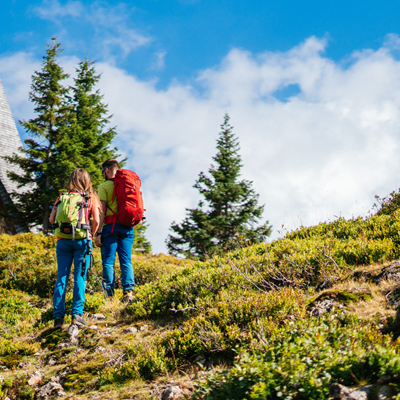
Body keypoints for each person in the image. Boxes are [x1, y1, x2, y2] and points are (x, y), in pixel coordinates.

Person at [49, 169, 100, 328]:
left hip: (62, 242)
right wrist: (90, 232)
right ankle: (77, 314)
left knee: (61, 278)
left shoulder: (62, 197)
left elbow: (51, 220)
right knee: (79, 277)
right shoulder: (89, 198)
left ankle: (58, 318)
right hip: (82, 241)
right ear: (86, 181)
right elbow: (97, 221)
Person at [95, 159, 135, 302]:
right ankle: (128, 292)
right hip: (127, 227)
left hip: (111, 228)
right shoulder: (127, 184)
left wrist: (98, 232)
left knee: (108, 261)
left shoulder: (104, 186)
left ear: (106, 170)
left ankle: (109, 295)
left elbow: (102, 210)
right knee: (126, 260)